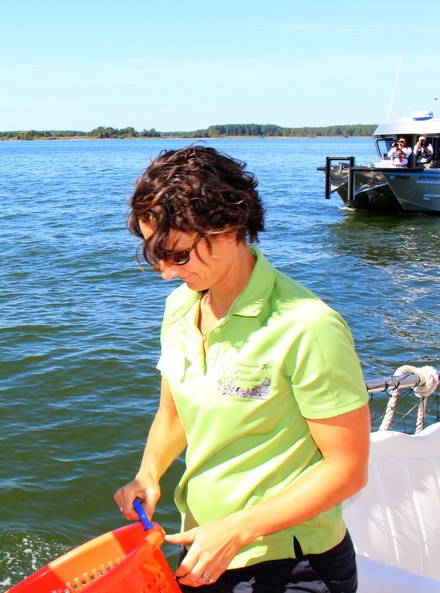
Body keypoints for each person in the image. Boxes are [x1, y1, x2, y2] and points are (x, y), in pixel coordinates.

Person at [113, 146, 370, 592]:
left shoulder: (307, 325)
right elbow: (174, 414)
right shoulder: (180, 307)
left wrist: (236, 529)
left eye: (177, 255)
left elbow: (347, 469)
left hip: (294, 563)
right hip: (204, 547)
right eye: (153, 254)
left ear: (229, 227)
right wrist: (149, 473)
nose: (165, 274)